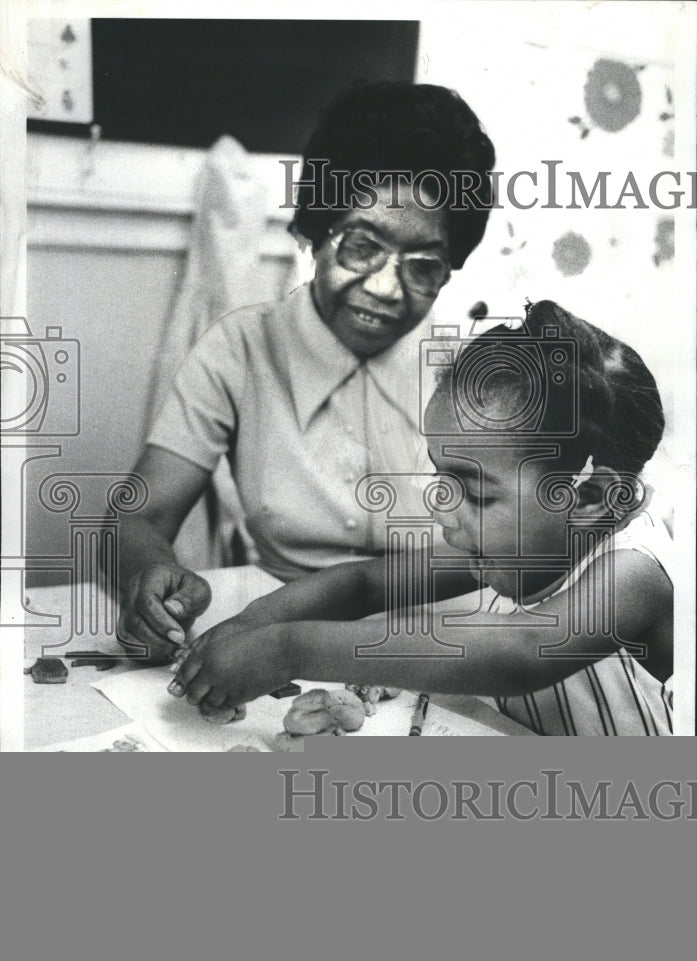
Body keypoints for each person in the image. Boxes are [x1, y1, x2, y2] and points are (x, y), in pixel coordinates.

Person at [116, 81, 496, 662]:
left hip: (438, 642)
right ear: (312, 232)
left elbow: (502, 546)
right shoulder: (240, 349)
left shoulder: (471, 372)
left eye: (424, 266)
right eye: (362, 247)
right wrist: (151, 574)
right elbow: (140, 514)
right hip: (274, 625)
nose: (386, 289)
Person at [168, 300, 674, 735]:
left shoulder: (637, 573)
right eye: (443, 478)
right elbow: (365, 583)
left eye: (476, 493)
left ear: (590, 497)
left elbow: (523, 650)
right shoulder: (518, 546)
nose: (442, 507)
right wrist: (252, 625)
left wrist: (285, 649)